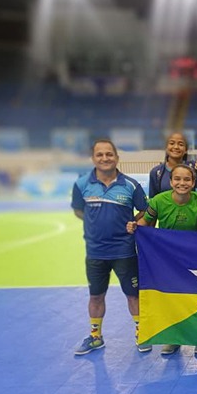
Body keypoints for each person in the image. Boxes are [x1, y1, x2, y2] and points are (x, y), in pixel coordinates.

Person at [127, 163, 197, 356]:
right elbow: (145, 223)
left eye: (187, 179)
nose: (182, 183)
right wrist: (135, 226)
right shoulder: (159, 201)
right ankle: (173, 339)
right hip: (168, 261)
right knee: (171, 298)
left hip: (195, 259)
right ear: (170, 181)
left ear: (193, 182)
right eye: (177, 179)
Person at [72, 139, 149, 356]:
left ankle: (141, 333)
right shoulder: (82, 184)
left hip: (124, 250)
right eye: (100, 155)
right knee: (96, 296)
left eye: (109, 154)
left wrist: (134, 222)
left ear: (116, 157)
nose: (105, 158)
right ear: (93, 158)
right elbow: (79, 210)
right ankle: (96, 337)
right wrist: (95, 223)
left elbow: (145, 211)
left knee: (133, 295)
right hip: (95, 252)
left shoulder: (131, 185)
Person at [148, 132, 196, 198]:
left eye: (181, 144)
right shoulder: (156, 172)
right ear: (166, 148)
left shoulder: (195, 168)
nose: (176, 147)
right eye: (172, 143)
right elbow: (153, 200)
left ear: (186, 150)